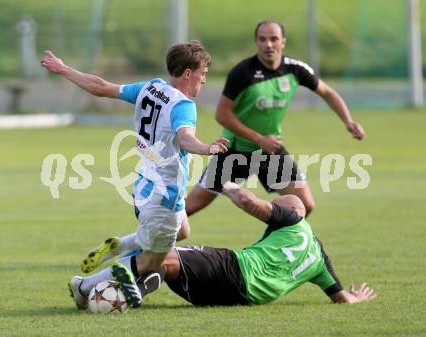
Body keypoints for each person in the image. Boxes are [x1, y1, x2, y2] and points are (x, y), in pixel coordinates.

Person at [41, 41, 228, 307]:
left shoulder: (150, 88)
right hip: (165, 196)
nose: (204, 80)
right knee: (152, 263)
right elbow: (185, 138)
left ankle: (124, 243)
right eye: (203, 74)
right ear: (188, 73)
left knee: (183, 230)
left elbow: (100, 87)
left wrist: (63, 69)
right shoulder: (184, 106)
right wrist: (207, 148)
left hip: (142, 187)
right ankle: (83, 286)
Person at [68, 182, 376, 309]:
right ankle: (144, 280)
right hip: (239, 299)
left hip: (235, 268)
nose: (273, 213)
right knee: (170, 260)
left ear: (289, 212)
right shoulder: (320, 258)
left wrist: (225, 184)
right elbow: (342, 299)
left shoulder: (292, 219)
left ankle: (85, 288)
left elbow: (251, 203)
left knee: (162, 254)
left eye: (277, 207)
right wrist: (357, 298)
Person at [185, 20, 366, 218]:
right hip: (235, 151)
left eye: (273, 39)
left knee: (304, 206)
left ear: (283, 42)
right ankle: (151, 236)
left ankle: (275, 241)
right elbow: (222, 114)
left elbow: (327, 92)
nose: (268, 44)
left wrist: (349, 121)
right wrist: (259, 139)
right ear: (256, 42)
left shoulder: (294, 69)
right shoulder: (242, 73)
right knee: (190, 206)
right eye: (262, 39)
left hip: (269, 150)